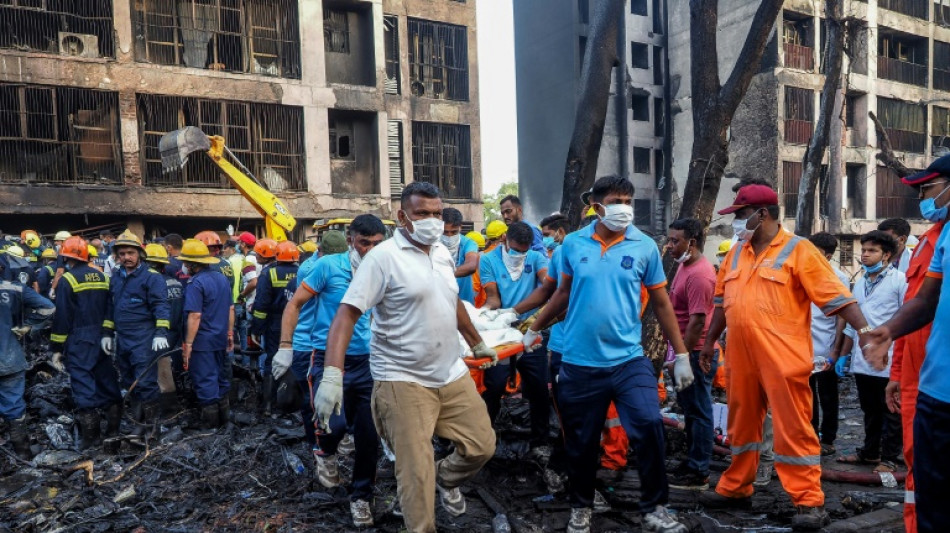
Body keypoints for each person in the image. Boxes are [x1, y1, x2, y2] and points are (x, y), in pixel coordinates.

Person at [314, 182, 498, 533]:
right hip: (402, 380)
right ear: (402, 217)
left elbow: (451, 300)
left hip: (451, 374)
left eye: (437, 213)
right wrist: (332, 375)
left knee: (481, 446)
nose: (432, 221)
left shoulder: (442, 252)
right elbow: (346, 315)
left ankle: (443, 478)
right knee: (415, 474)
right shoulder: (382, 259)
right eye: (422, 214)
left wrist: (476, 343)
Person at [698, 184, 878, 530]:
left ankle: (808, 501)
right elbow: (721, 303)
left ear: (761, 213)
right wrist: (709, 343)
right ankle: (736, 487)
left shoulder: (800, 250)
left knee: (794, 427)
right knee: (742, 425)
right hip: (740, 355)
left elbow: (837, 299)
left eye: (739, 213)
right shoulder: (736, 253)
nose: (735, 221)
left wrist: (867, 335)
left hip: (783, 356)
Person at [525, 176, 693, 533]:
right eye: (617, 200)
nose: (625, 207)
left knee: (648, 424)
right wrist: (534, 328)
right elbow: (562, 293)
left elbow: (661, 303)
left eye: (629, 200)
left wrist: (682, 355)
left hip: (628, 360)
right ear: (597, 206)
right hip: (579, 362)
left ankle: (654, 508)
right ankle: (581, 507)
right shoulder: (572, 244)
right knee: (581, 442)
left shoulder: (645, 246)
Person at [276, 214, 386, 527]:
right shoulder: (328, 267)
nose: (370, 250)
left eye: (378, 244)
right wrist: (286, 346)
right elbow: (295, 304)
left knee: (368, 435)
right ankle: (324, 452)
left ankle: (362, 496)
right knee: (332, 425)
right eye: (365, 243)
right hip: (325, 357)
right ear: (351, 239)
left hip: (367, 361)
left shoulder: (384, 269)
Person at [879, 160, 950, 533]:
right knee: (918, 467)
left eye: (927, 189)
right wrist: (894, 367)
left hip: (933, 381)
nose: (922, 198)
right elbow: (919, 305)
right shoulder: (936, 238)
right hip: (925, 383)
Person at [836, 231, 907, 472]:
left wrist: (900, 358)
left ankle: (889, 459)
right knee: (869, 410)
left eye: (872, 251)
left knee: (891, 411)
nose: (865, 255)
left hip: (889, 359)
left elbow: (907, 321)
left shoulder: (900, 281)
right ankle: (869, 453)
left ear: (886, 255)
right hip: (862, 359)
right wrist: (844, 354)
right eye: (864, 250)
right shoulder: (860, 284)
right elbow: (852, 326)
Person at [479, 221, 550, 453]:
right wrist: (493, 315)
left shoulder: (536, 259)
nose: (519, 254)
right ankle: (486, 436)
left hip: (531, 328)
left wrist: (516, 312)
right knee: (495, 383)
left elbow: (548, 286)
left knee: (538, 385)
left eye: (524, 250)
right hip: (501, 332)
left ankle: (540, 440)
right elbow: (493, 297)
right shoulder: (489, 260)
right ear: (504, 241)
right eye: (515, 249)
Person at [50, 236, 121, 449]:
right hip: (102, 338)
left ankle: (91, 440)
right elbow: (111, 308)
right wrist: (108, 332)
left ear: (65, 256)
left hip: (80, 339)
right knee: (107, 380)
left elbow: (63, 317)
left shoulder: (68, 280)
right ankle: (113, 433)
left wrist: (56, 348)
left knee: (83, 384)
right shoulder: (103, 278)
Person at [664, 218, 719, 491]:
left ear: (692, 242)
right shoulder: (684, 266)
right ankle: (693, 462)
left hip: (695, 353)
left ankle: (699, 472)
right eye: (670, 239)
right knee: (691, 411)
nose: (670, 245)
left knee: (699, 411)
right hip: (685, 350)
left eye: (676, 240)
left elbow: (697, 321)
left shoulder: (699, 274)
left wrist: (682, 357)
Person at [102, 230, 171, 442]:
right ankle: (138, 426)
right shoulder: (116, 276)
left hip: (144, 336)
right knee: (129, 381)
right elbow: (110, 306)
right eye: (122, 254)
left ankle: (152, 428)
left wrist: (160, 332)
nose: (126, 257)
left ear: (140, 253)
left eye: (130, 253)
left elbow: (161, 306)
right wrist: (107, 333)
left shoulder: (152, 277)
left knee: (145, 382)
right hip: (123, 337)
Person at [0, 263, 54, 458]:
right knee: (14, 407)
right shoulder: (14, 288)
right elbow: (48, 308)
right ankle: (22, 454)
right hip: (9, 357)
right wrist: (27, 326)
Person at [180, 238, 235, 428]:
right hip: (220, 337)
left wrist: (188, 344)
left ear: (192, 264)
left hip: (203, 340)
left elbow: (195, 315)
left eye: (186, 263)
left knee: (205, 380)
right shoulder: (221, 278)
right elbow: (230, 309)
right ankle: (225, 422)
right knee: (220, 377)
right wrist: (230, 334)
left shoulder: (195, 283)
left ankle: (210, 428)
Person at [807, 233, 850, 457]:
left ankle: (829, 437)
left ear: (829, 255)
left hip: (826, 345)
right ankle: (811, 435)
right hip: (803, 346)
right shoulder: (801, 273)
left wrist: (836, 350)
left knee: (827, 394)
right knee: (807, 394)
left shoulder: (838, 278)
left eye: (815, 252)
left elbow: (843, 315)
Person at [251, 240, 299, 414]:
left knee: (272, 360)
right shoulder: (302, 271)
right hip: (296, 324)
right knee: (294, 360)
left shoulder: (269, 273)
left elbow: (262, 304)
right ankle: (292, 403)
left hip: (275, 324)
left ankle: (270, 404)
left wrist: (256, 329)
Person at [144, 243, 185, 412]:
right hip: (177, 330)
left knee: (161, 370)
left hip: (161, 331)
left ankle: (168, 410)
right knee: (171, 366)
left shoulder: (154, 283)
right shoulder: (175, 282)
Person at [442, 208, 479, 304]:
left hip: (465, 303)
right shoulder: (432, 244)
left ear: (460, 227)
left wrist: (439, 274)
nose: (449, 236)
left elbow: (471, 266)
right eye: (445, 232)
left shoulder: (468, 243)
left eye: (454, 232)